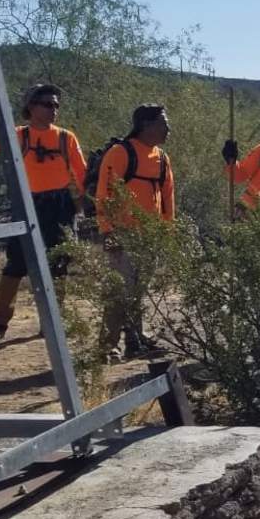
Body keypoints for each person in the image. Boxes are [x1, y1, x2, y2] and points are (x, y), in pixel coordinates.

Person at [0, 84, 87, 342]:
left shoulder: (66, 137)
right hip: (27, 205)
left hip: (60, 206)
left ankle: (53, 324)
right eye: (48, 105)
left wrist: (83, 203)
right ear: (31, 107)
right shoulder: (17, 135)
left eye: (56, 105)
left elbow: (82, 172)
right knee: (16, 264)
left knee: (59, 264)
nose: (54, 110)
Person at [95, 103, 175, 359]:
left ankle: (135, 340)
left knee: (139, 290)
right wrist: (108, 231)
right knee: (120, 291)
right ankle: (107, 346)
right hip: (122, 233)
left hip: (150, 236)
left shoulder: (162, 157)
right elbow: (103, 195)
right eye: (163, 123)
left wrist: (167, 232)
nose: (168, 128)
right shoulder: (121, 153)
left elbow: (168, 197)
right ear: (145, 125)